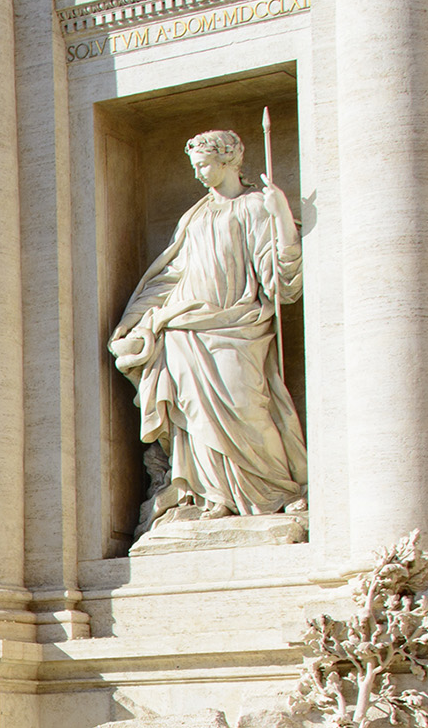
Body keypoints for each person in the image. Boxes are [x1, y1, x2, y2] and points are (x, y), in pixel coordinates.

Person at [110, 127, 307, 527]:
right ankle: (210, 493)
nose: (199, 174)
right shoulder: (195, 215)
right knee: (195, 414)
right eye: (195, 167)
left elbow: (281, 279)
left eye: (204, 165)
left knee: (247, 406)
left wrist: (282, 215)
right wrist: (130, 322)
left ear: (228, 160)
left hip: (238, 325)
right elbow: (170, 277)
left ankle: (278, 489)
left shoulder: (255, 207)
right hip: (183, 327)